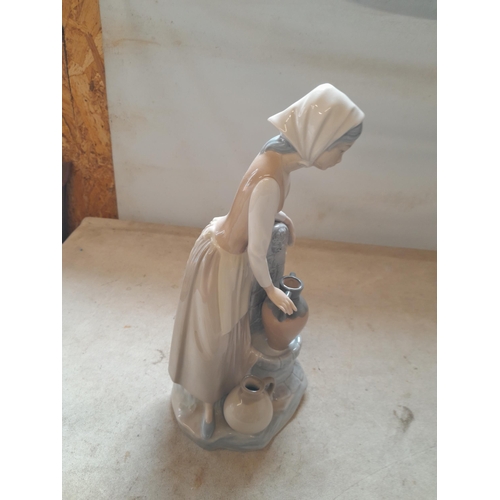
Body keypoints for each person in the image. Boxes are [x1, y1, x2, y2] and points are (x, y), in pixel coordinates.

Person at [169, 83, 364, 439]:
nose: (340, 159)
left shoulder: (276, 157)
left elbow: (257, 211)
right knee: (215, 338)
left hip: (230, 253)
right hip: (225, 261)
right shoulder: (271, 179)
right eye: (341, 149)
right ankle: (208, 404)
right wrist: (273, 291)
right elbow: (256, 251)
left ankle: (223, 392)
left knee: (229, 337)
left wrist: (280, 217)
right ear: (319, 139)